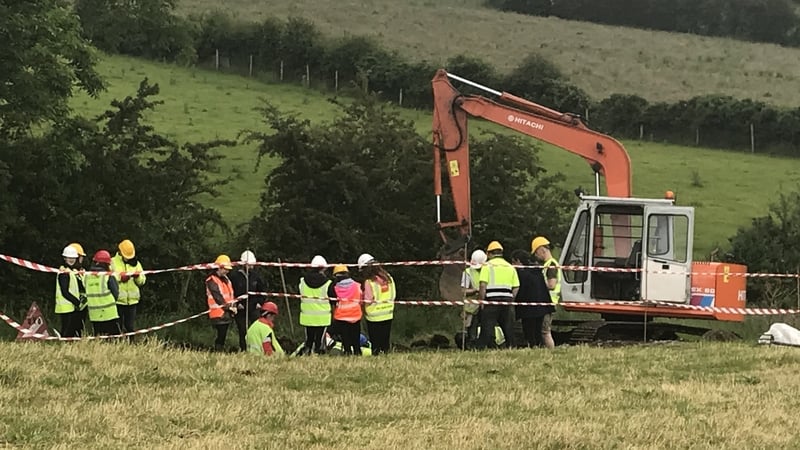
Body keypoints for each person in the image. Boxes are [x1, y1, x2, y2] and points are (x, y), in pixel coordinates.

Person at [477, 241, 518, 349]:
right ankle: (512, 346)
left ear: (489, 253)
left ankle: (481, 347)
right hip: (507, 300)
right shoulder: (510, 267)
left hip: (491, 300)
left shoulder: (487, 266)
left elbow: (482, 285)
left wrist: (481, 301)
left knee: (487, 326)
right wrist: (511, 298)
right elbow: (516, 286)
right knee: (508, 326)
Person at [512, 249, 555, 348]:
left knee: (529, 332)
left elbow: (520, 291)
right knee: (538, 331)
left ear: (518, 261)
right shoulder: (537, 271)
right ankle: (538, 347)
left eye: (513, 262)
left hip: (528, 309)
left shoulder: (522, 274)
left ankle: (533, 347)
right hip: (542, 307)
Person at [229, 250, 268, 352]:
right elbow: (230, 292)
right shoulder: (234, 277)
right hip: (241, 309)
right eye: (249, 265)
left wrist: (260, 302)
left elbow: (262, 291)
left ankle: (257, 349)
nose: (251, 267)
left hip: (254, 308)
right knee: (243, 330)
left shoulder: (256, 276)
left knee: (256, 329)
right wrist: (237, 304)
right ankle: (244, 349)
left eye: (252, 265)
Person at [359, 253, 395, 355]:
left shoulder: (369, 282)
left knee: (376, 344)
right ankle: (386, 356)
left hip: (374, 317)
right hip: (388, 313)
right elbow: (393, 295)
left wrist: (361, 300)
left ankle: (376, 358)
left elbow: (368, 299)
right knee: (385, 341)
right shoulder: (389, 278)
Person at [531, 236, 562, 349]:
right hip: (547, 302)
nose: (536, 255)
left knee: (545, 331)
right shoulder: (548, 264)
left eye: (536, 252)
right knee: (543, 330)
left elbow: (551, 285)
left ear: (541, 249)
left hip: (549, 302)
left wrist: (538, 286)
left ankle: (551, 352)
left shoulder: (551, 265)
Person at [111, 239, 146, 338]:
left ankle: (130, 345)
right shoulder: (112, 262)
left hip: (132, 301)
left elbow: (143, 280)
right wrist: (120, 278)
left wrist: (137, 277)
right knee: (117, 327)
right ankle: (117, 345)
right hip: (118, 300)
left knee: (130, 327)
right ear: (120, 252)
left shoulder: (136, 263)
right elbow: (108, 278)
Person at [298, 255, 332, 355]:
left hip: (307, 317)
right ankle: (317, 354)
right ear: (324, 268)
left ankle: (308, 353)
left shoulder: (302, 282)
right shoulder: (328, 283)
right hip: (322, 317)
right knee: (319, 341)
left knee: (309, 339)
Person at [84, 250, 121, 336]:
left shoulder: (87, 276)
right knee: (114, 339)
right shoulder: (108, 276)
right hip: (109, 314)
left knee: (99, 340)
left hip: (94, 314)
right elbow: (116, 292)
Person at [328, 264, 363, 355]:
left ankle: (347, 352)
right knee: (356, 338)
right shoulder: (357, 285)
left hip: (342, 317)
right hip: (355, 316)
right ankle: (357, 352)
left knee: (345, 339)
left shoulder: (334, 287)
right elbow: (361, 300)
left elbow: (332, 302)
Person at [206, 254, 237, 351]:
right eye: (225, 269)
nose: (227, 271)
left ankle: (219, 350)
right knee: (221, 334)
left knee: (223, 335)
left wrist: (234, 306)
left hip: (227, 312)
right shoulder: (211, 280)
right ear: (219, 268)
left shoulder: (227, 280)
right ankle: (217, 351)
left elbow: (230, 295)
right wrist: (229, 308)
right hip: (218, 312)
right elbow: (218, 297)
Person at [54, 245, 86, 338]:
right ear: (64, 258)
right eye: (69, 258)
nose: (71, 260)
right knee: (67, 331)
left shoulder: (73, 271)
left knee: (72, 331)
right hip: (66, 307)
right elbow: (65, 291)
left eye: (73, 258)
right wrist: (76, 301)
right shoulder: (64, 272)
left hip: (72, 306)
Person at [461, 249, 486, 347]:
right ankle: (471, 345)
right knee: (472, 328)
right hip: (473, 306)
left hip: (486, 303)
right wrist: (475, 290)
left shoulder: (488, 270)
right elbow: (463, 291)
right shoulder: (467, 272)